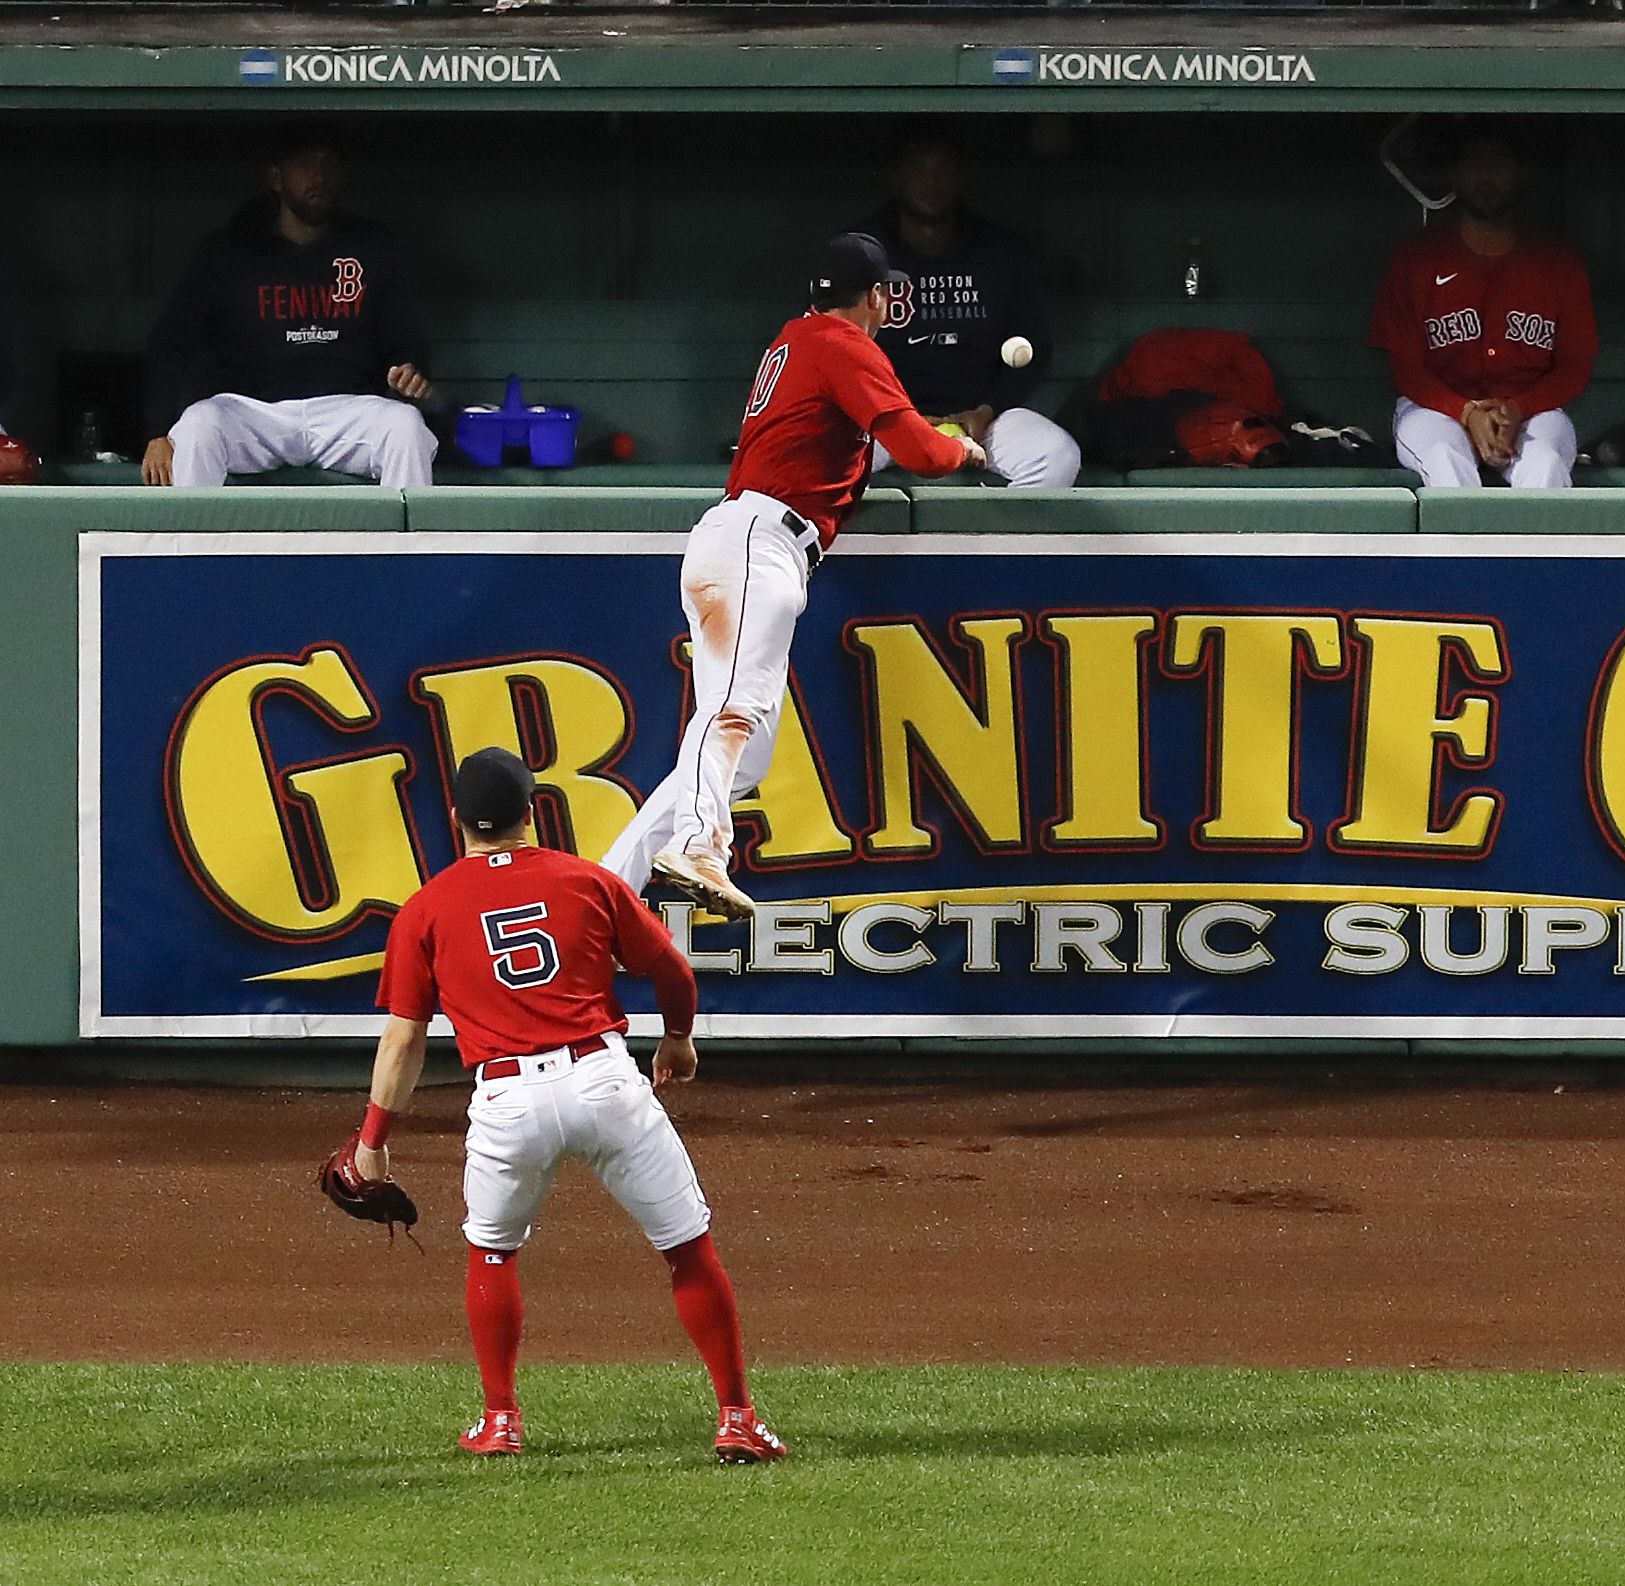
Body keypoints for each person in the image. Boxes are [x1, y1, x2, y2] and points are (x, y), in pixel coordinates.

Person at [345, 747, 784, 1463]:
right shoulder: (586, 879)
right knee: (688, 1250)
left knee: (492, 1254)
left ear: (456, 819)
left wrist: (373, 1140)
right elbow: (671, 966)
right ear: (531, 813)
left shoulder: (425, 908)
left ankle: (501, 1421)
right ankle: (736, 1417)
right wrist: (676, 1041)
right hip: (604, 1083)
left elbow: (402, 1043)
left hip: (507, 1099)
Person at [601, 233, 984, 918]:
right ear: (874, 297)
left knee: (738, 757)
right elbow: (921, 452)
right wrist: (962, 450)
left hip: (752, 543)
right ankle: (696, 844)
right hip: (757, 544)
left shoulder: (799, 337)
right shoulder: (841, 343)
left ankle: (608, 888)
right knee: (730, 713)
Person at [141, 123, 436, 488]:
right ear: (276, 177)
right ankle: (194, 546)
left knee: (406, 428)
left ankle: (405, 547)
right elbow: (170, 343)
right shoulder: (230, 251)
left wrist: (410, 369)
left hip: (345, 410)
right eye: (304, 164)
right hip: (253, 413)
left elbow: (406, 340)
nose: (319, 176)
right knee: (199, 426)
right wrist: (157, 433)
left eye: (328, 164)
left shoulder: (373, 246)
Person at [1368, 122, 1598, 490]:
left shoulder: (1557, 261)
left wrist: (1519, 409)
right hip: (1433, 410)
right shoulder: (1417, 257)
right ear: (1455, 174)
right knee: (1446, 459)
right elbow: (1406, 369)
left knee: (1546, 464)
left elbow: (1574, 368)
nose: (1486, 176)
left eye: (1499, 164)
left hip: (1531, 410)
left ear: (1521, 175)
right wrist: (1466, 412)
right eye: (1474, 164)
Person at [854, 122, 1079, 489]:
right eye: (918, 170)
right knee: (818, 456)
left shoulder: (1003, 252)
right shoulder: (860, 252)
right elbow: (833, 346)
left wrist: (986, 411)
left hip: (980, 419)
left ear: (964, 177)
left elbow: (1033, 347)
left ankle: (1003, 547)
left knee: (1056, 456)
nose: (931, 182)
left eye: (943, 170)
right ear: (894, 178)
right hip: (883, 419)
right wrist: (895, 415)